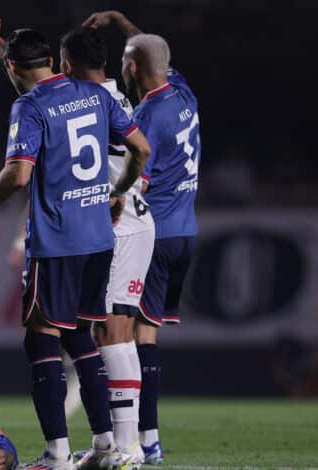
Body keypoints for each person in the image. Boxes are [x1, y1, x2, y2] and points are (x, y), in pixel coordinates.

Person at [0, 11, 155, 465]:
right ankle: (106, 445)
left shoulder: (27, 107)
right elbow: (141, 148)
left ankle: (57, 454)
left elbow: (18, 175)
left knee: (41, 340)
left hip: (57, 241)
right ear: (55, 60)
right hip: (99, 239)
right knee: (81, 338)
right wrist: (118, 191)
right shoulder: (95, 93)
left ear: (14, 67)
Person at [83, 10, 203, 464]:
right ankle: (144, 440)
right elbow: (155, 49)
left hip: (156, 232)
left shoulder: (148, 114)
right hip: (186, 231)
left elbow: (140, 177)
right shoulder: (184, 94)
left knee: (128, 337)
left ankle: (142, 441)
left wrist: (110, 199)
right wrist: (121, 22)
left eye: (125, 64)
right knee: (144, 335)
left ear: (132, 67)